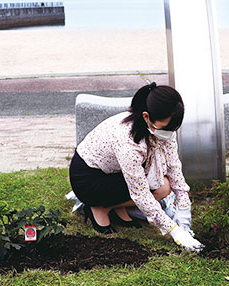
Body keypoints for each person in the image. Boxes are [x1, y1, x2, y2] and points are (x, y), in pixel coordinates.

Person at [69, 82, 204, 252]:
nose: (169, 134)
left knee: (164, 186)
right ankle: (100, 207)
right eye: (165, 128)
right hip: (89, 179)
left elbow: (174, 165)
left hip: (114, 173)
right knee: (158, 189)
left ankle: (117, 205)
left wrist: (184, 207)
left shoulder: (163, 129)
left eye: (173, 128)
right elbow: (140, 194)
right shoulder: (128, 141)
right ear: (147, 117)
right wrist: (174, 230)